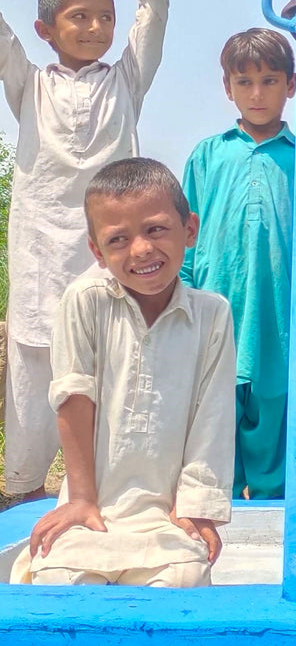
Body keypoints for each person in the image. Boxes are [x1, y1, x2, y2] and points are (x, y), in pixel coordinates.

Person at [0, 0, 169, 502]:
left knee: (115, 359)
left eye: (104, 18)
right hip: (41, 246)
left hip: (111, 251)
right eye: (79, 18)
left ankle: (108, 490)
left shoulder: (125, 80)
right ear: (46, 30)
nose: (96, 28)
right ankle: (21, 488)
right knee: (34, 363)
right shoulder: (30, 83)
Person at [11, 158, 234, 586]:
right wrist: (80, 500)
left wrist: (196, 507)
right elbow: (73, 397)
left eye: (155, 229)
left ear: (189, 229)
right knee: (60, 584)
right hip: (95, 508)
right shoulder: (85, 300)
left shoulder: (212, 314)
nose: (142, 249)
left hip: (165, 516)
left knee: (183, 581)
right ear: (97, 251)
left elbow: (214, 414)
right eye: (118, 239)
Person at [181, 28, 296, 499]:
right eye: (245, 82)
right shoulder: (209, 154)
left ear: (291, 85)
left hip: (280, 314)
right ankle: (218, 516)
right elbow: (184, 237)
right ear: (227, 87)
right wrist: (183, 298)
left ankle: (275, 516)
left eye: (270, 81)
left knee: (275, 406)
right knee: (214, 410)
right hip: (217, 308)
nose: (257, 93)